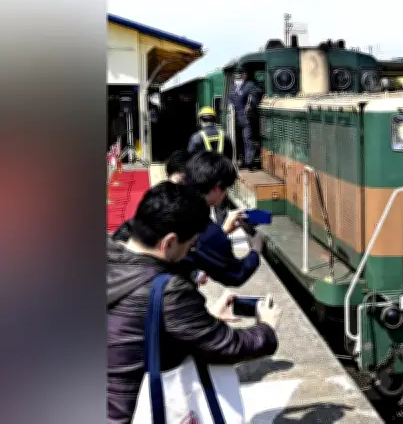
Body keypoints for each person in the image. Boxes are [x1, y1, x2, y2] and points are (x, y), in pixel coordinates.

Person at [107, 181, 280, 424]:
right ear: (169, 243)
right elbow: (227, 345)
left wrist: (205, 318)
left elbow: (130, 330)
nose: (190, 251)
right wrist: (266, 328)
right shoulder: (169, 291)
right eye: (190, 245)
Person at [111, 151, 264, 288]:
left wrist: (222, 231)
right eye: (226, 189)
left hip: (120, 275)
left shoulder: (164, 196)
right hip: (160, 295)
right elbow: (234, 274)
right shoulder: (205, 228)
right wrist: (255, 250)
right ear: (217, 187)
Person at [227, 67, 261, 171]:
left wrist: (250, 105)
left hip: (246, 118)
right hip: (234, 119)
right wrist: (230, 106)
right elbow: (229, 99)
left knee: (247, 139)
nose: (238, 77)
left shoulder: (250, 85)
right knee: (236, 140)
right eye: (236, 75)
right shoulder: (232, 86)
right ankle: (238, 160)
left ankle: (249, 162)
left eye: (240, 75)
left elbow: (254, 97)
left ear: (245, 75)